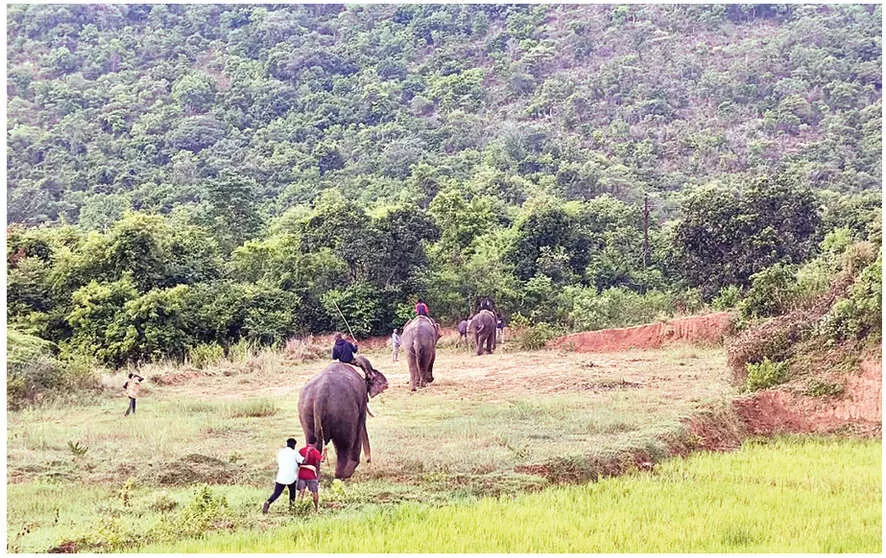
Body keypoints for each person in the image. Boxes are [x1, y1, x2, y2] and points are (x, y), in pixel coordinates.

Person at [262, 438, 304, 514]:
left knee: (276, 493)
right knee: (292, 494)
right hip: (291, 477)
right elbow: (302, 461)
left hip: (281, 476)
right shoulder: (294, 452)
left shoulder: (281, 452)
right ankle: (291, 509)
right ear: (294, 445)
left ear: (287, 444)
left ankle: (268, 502)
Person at [297, 442, 324, 513]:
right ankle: (316, 509)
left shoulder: (301, 450)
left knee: (301, 492)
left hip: (301, 474)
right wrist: (325, 452)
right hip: (311, 475)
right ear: (315, 443)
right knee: (315, 492)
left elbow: (298, 462)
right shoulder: (315, 451)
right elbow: (322, 460)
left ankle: (298, 509)